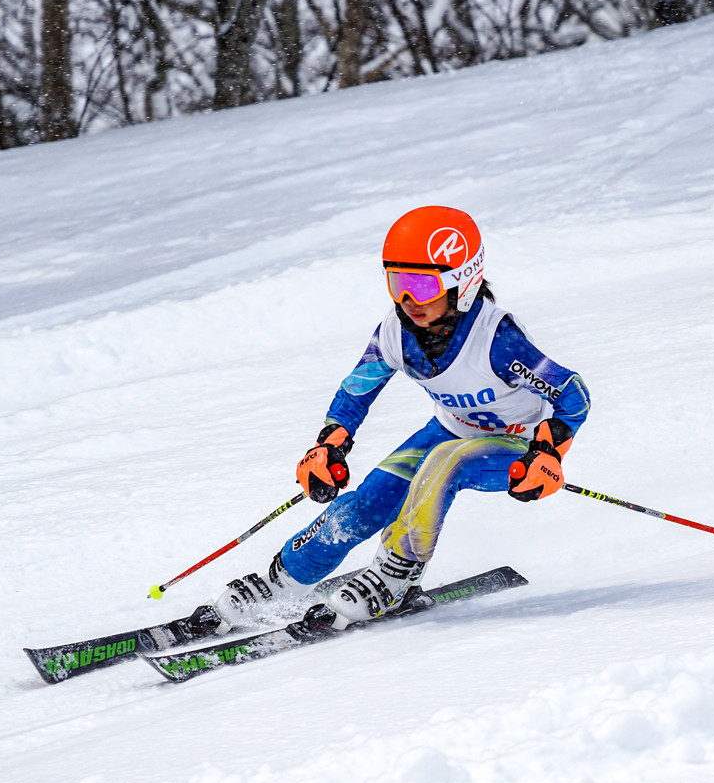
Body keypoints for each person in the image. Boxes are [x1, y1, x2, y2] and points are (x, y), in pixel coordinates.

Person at [203, 206, 590, 637]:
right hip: (449, 430)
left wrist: (549, 451)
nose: (408, 301)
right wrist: (328, 445)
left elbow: (572, 394)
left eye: (422, 286)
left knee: (447, 460)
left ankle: (396, 573)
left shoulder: (496, 340)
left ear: (462, 282)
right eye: (398, 283)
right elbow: (356, 389)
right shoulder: (396, 333)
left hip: (510, 449)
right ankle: (283, 583)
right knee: (365, 504)